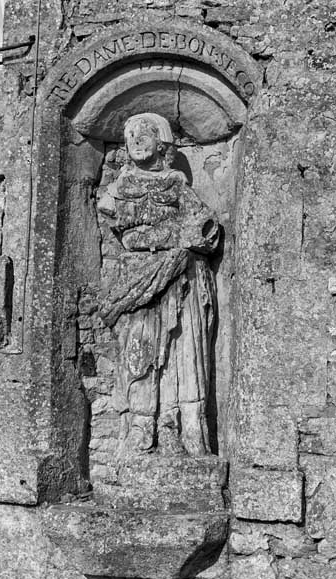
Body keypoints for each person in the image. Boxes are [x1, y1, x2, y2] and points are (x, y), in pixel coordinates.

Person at [97, 113, 219, 459]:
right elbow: (130, 235)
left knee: (182, 351)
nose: (136, 139)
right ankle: (140, 424)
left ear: (161, 142)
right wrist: (170, 236)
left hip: (178, 280)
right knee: (138, 350)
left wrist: (179, 239)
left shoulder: (177, 184)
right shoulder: (117, 190)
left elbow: (207, 232)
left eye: (145, 134)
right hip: (135, 280)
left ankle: (179, 425)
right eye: (131, 135)